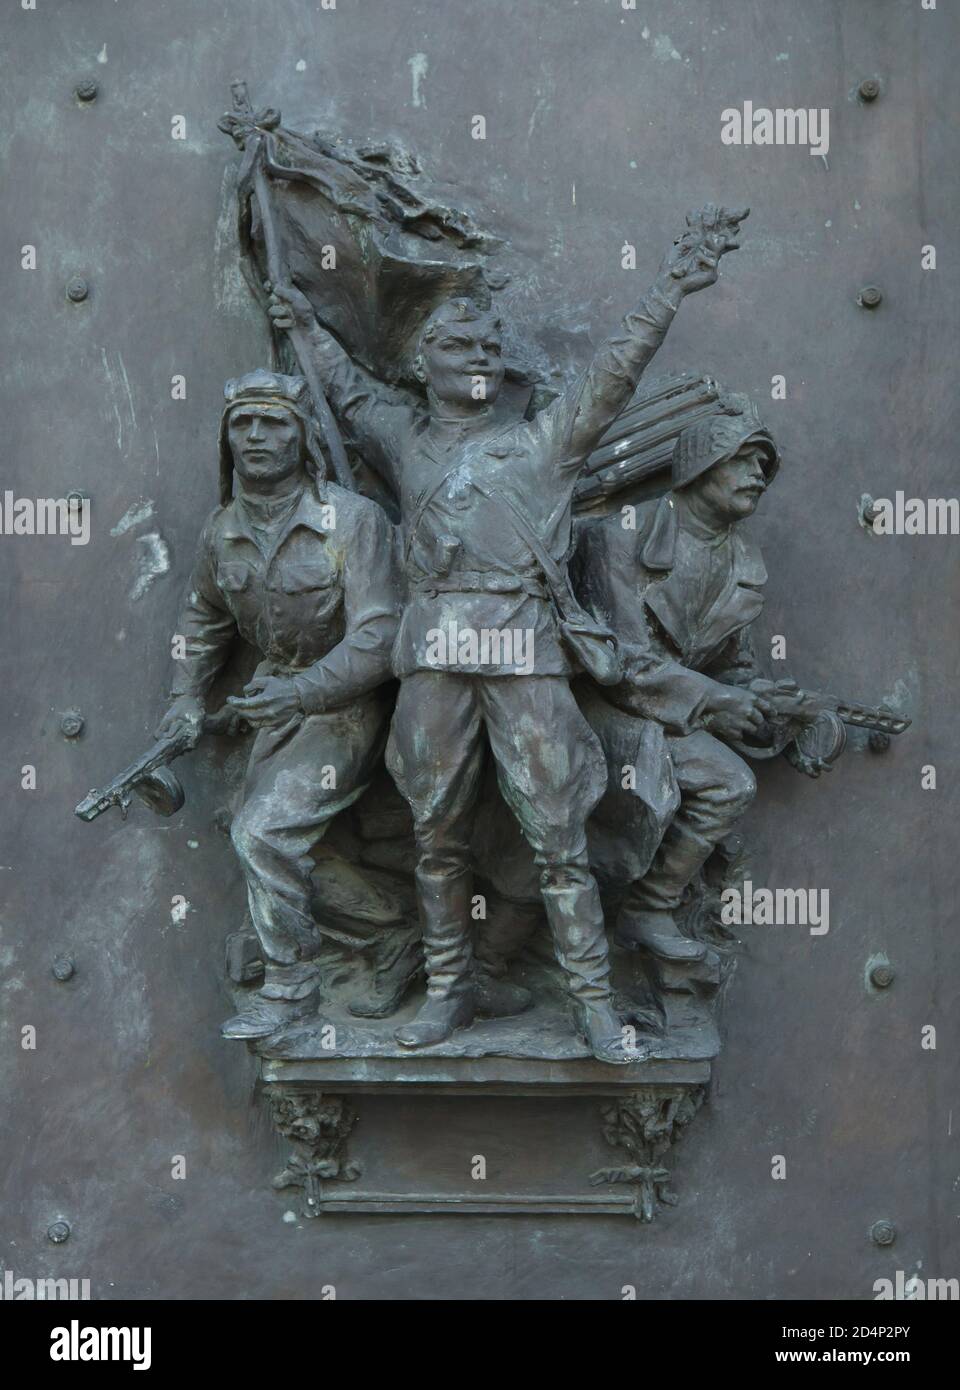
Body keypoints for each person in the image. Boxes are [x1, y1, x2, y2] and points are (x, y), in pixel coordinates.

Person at [268, 207, 746, 1060]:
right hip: (433, 659)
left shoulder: (545, 444)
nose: (479, 356)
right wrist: (301, 319)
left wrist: (672, 285)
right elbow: (340, 386)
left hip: (525, 651)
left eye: (490, 348)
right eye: (459, 347)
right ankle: (449, 991)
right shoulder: (401, 437)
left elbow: (616, 372)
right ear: (422, 366)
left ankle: (594, 1004)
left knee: (557, 835)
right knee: (435, 835)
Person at [155, 370, 400, 1039]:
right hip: (273, 697)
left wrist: (300, 693)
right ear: (226, 439)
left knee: (262, 833)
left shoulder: (352, 521)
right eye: (242, 424)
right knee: (255, 833)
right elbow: (202, 621)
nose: (256, 436)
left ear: (303, 436)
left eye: (274, 423)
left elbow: (381, 637)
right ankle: (395, 933)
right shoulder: (221, 531)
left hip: (345, 703)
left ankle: (290, 989)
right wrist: (184, 699)